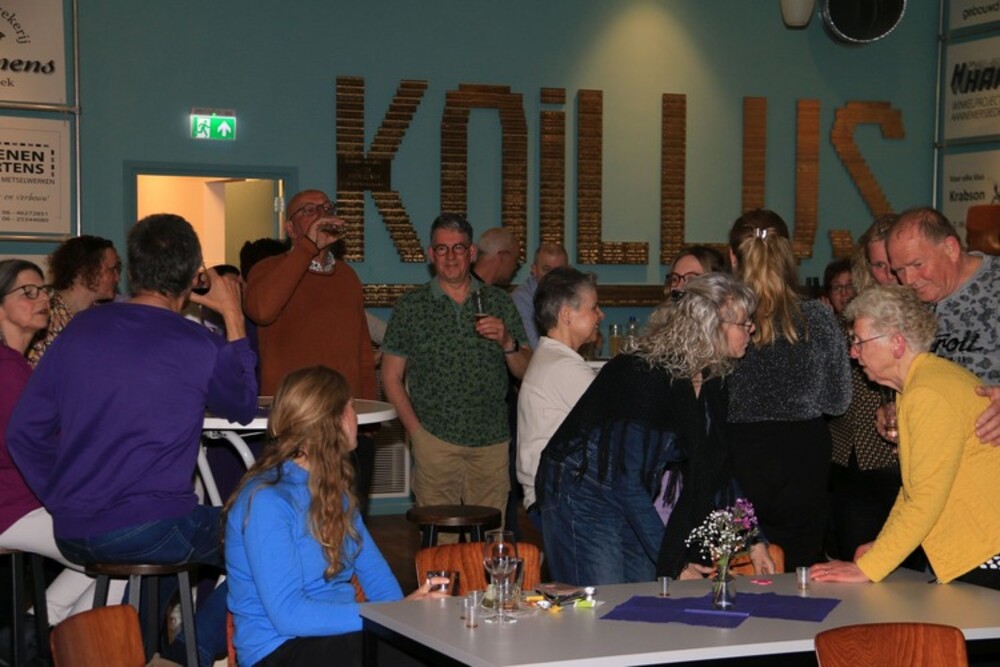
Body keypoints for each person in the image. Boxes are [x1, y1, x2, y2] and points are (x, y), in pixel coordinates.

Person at [8, 214, 257, 667]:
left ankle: (132, 647)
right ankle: (185, 656)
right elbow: (242, 403)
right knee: (265, 536)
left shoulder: (81, 330)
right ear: (194, 275)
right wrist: (233, 314)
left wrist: (59, 496)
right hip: (151, 527)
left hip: (72, 531)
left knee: (172, 536)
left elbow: (24, 431)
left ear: (135, 269)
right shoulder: (196, 343)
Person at [536, 273, 774, 585]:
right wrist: (675, 564)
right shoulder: (647, 374)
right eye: (744, 322)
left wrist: (753, 540)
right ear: (713, 326)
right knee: (605, 600)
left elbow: (718, 468)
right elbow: (627, 481)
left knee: (645, 593)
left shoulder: (712, 379)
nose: (751, 329)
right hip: (581, 491)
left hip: (628, 491)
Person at [225, 366, 445, 667]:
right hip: (278, 650)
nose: (356, 417)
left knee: (433, 649)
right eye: (351, 407)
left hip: (337, 638)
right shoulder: (268, 500)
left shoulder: (333, 491)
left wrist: (401, 620)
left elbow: (378, 580)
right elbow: (289, 616)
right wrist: (386, 618)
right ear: (334, 421)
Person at [811, 285, 1000, 590]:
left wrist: (870, 567)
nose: (853, 352)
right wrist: (881, 547)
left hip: (986, 548)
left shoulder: (927, 392)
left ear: (897, 344)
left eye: (859, 341)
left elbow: (924, 498)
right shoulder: (921, 383)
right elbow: (913, 488)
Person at [0, 260, 126, 646]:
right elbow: (38, 447)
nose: (42, 299)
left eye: (43, 290)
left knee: (109, 555)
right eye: (28, 292)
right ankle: (60, 646)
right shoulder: (8, 372)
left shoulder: (17, 367)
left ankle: (32, 636)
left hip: (23, 501)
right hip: (14, 507)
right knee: (127, 556)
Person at [381, 213, 531, 522]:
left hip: (491, 444)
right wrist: (417, 433)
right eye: (442, 248)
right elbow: (390, 376)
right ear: (430, 254)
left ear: (472, 252)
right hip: (434, 440)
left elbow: (526, 370)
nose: (450, 257)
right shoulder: (411, 307)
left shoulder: (499, 302)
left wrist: (507, 341)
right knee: (440, 540)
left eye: (458, 248)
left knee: (490, 538)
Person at [725, 209, 851, 570]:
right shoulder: (818, 317)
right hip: (802, 456)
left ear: (732, 256)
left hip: (738, 454)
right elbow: (838, 401)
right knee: (800, 571)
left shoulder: (722, 319)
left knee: (738, 566)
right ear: (788, 254)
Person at [244, 190, 378, 513]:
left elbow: (361, 350)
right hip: (293, 421)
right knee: (295, 515)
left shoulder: (347, 276)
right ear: (290, 228)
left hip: (342, 420)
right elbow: (261, 310)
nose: (321, 213)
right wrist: (307, 248)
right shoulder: (267, 269)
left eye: (326, 207)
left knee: (347, 516)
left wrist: (368, 415)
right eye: (308, 210)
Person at [827, 218, 910, 564]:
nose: (887, 273)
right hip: (849, 454)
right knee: (856, 555)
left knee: (907, 563)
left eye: (893, 265)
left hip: (903, 458)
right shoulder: (851, 317)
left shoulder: (924, 311)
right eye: (878, 265)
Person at [885, 207, 1000, 444]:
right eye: (899, 270)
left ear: (951, 248)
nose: (909, 280)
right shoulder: (909, 304)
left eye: (917, 264)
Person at [516, 267, 602, 528]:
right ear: (566, 314)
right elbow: (615, 425)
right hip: (559, 500)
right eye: (593, 307)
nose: (600, 315)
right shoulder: (563, 367)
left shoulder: (550, 357)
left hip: (550, 495)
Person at [27, 235, 120, 364]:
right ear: (83, 271)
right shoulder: (43, 309)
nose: (117, 277)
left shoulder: (105, 317)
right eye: (111, 270)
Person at [510, 242, 569, 348]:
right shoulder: (521, 299)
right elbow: (535, 347)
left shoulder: (573, 293)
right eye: (547, 270)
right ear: (534, 270)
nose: (553, 277)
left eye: (558, 271)